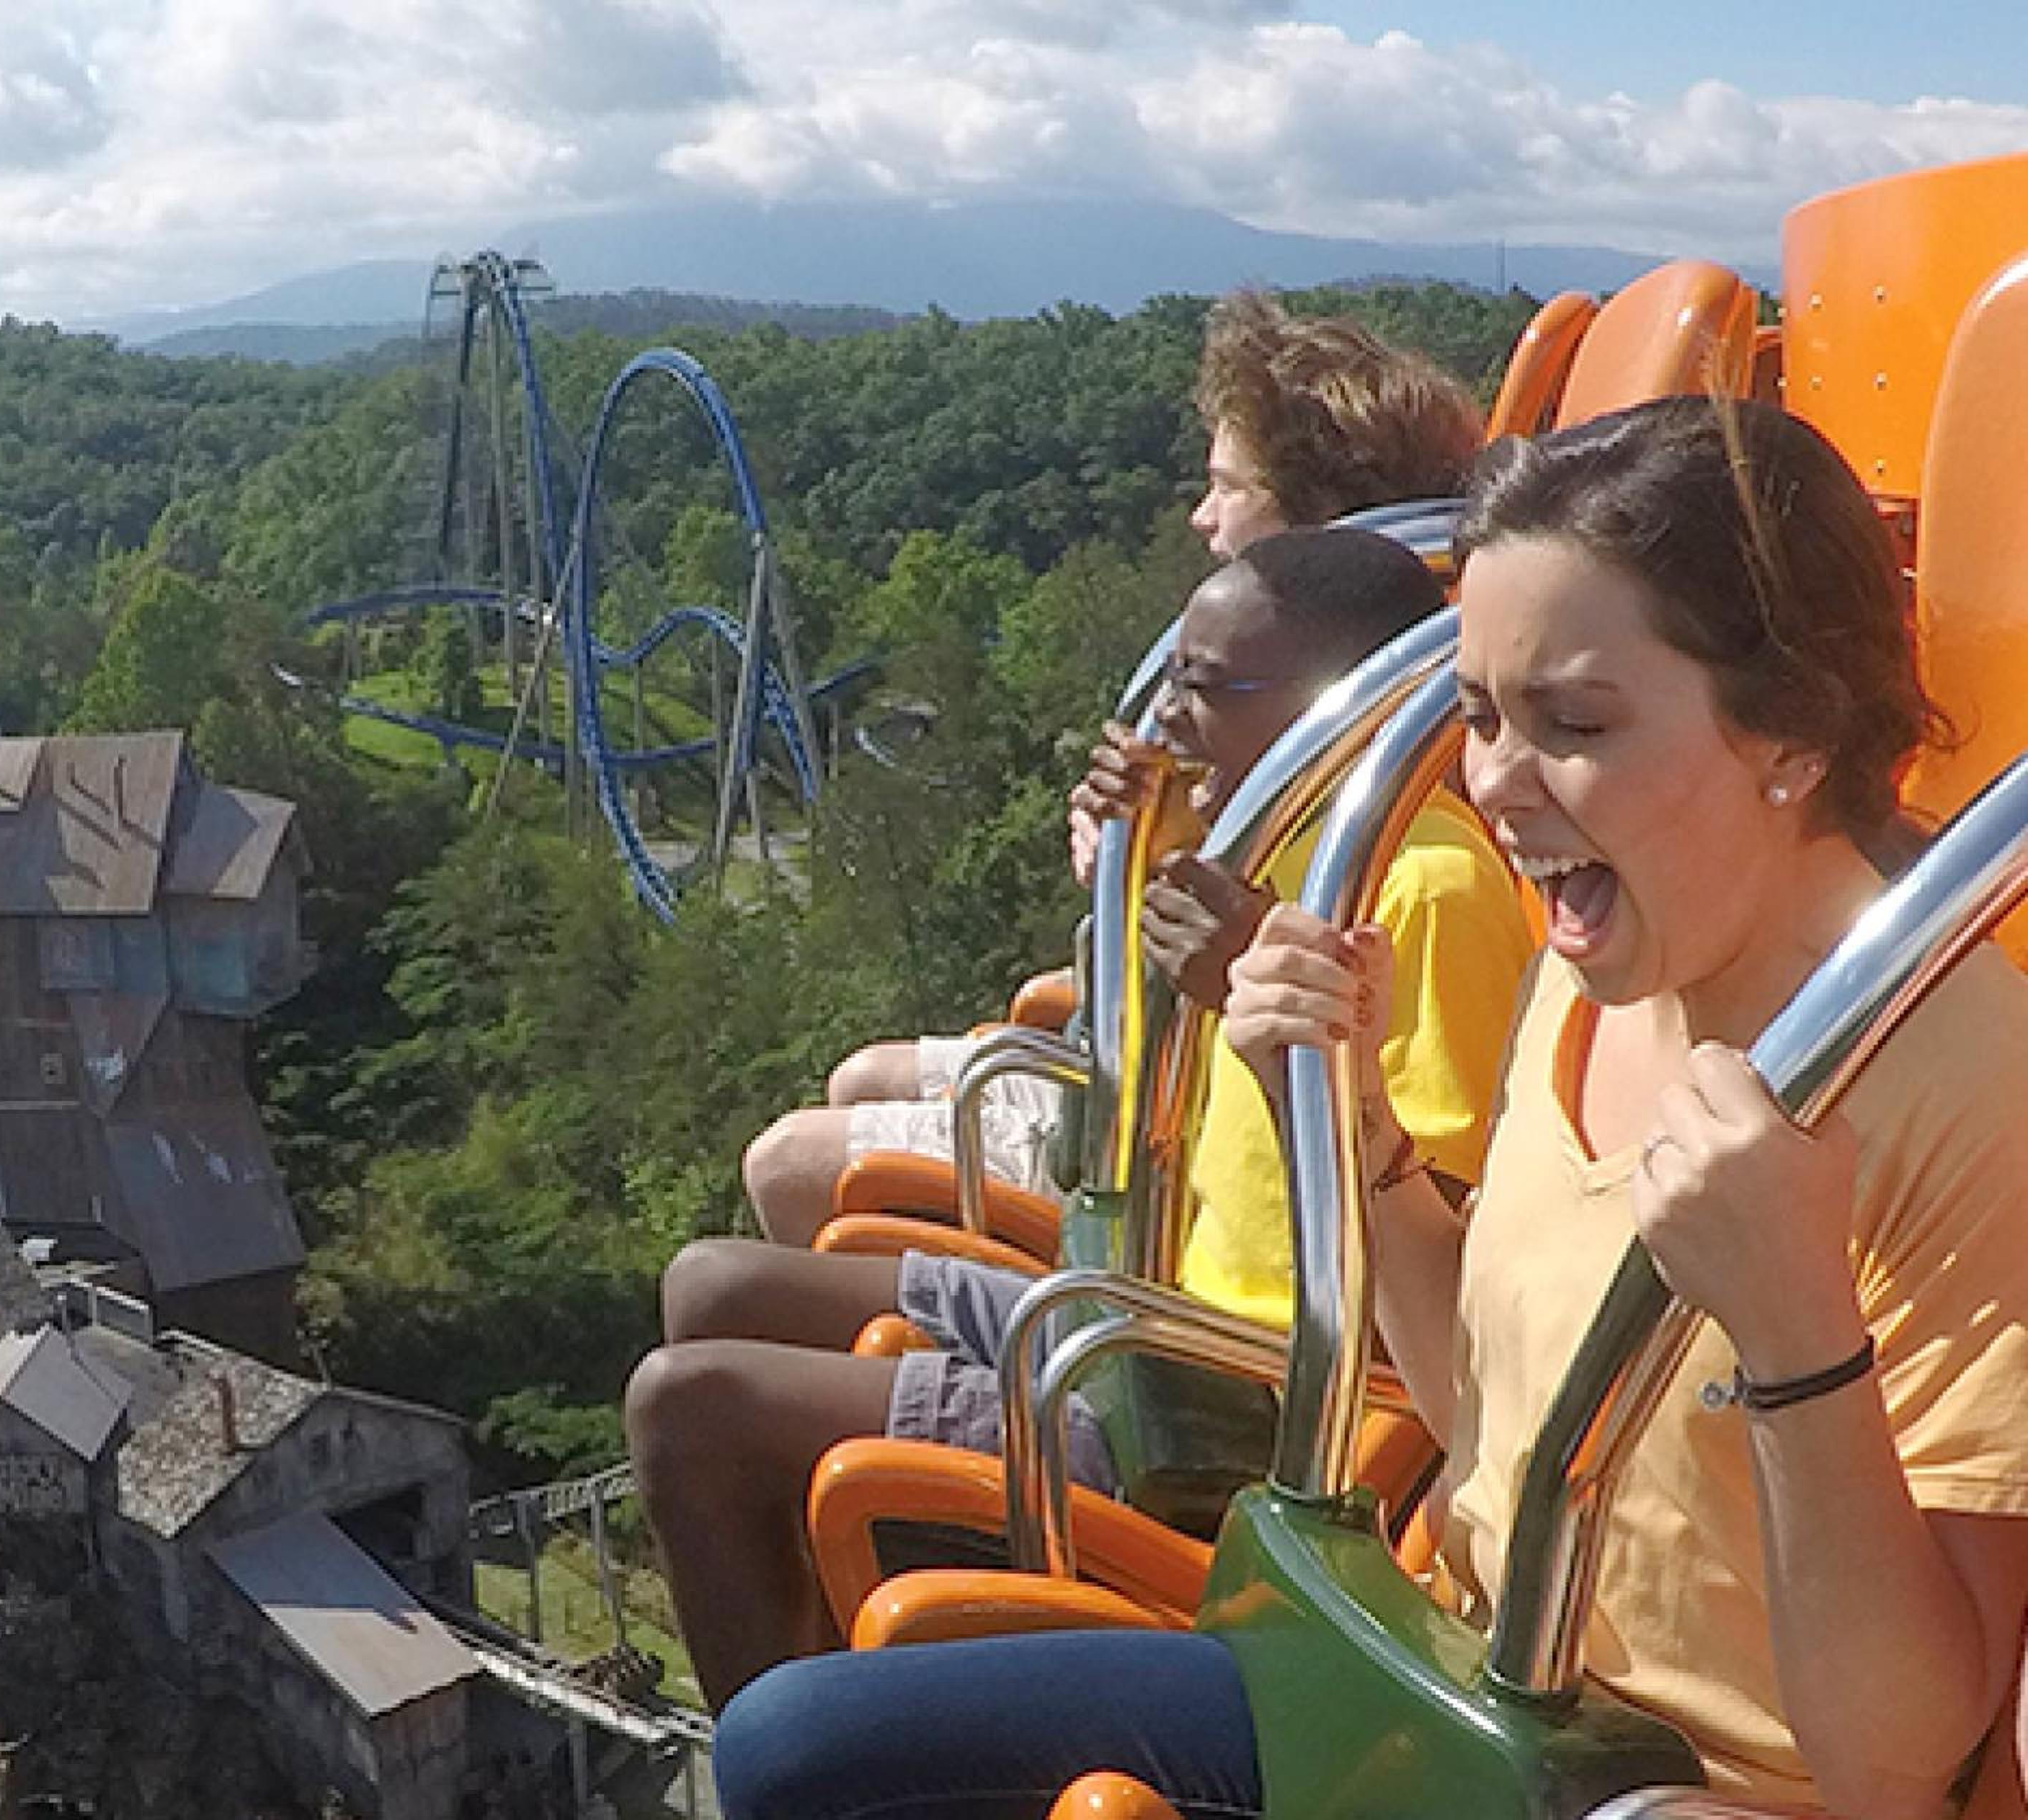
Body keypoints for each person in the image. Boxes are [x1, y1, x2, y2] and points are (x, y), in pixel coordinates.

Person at [711, 397, 2028, 1820]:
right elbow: (1485, 1421)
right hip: (1458, 1686)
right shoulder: (1600, 968)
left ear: (1794, 733)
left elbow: (1897, 1768)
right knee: (795, 1748)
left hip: (1675, 1789)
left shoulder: (1968, 1091)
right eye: (1480, 714)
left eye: (1575, 724)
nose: (1497, 782)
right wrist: (1357, 1136)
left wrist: (1796, 1335)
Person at [626, 527, 1532, 1709]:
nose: (1166, 719)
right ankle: (819, 1674)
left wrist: (1260, 1000)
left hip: (1238, 1394)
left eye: (1205, 688)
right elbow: (1145, 1086)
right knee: (713, 1284)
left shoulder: (1423, 888)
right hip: (1151, 1317)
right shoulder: (1277, 854)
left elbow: (1433, 1274)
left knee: (685, 1407)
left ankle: (805, 1726)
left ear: (1336, 704)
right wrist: (1136, 863)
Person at [741, 298, 1485, 1246]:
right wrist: (1142, 867)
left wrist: (1150, 889)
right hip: (1163, 1087)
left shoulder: (1409, 831)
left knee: (786, 1162)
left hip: (1173, 1143)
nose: (1201, 517)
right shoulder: (1279, 752)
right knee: (860, 1078)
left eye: (1228, 488)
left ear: (1320, 527)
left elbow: (1246, 1017)